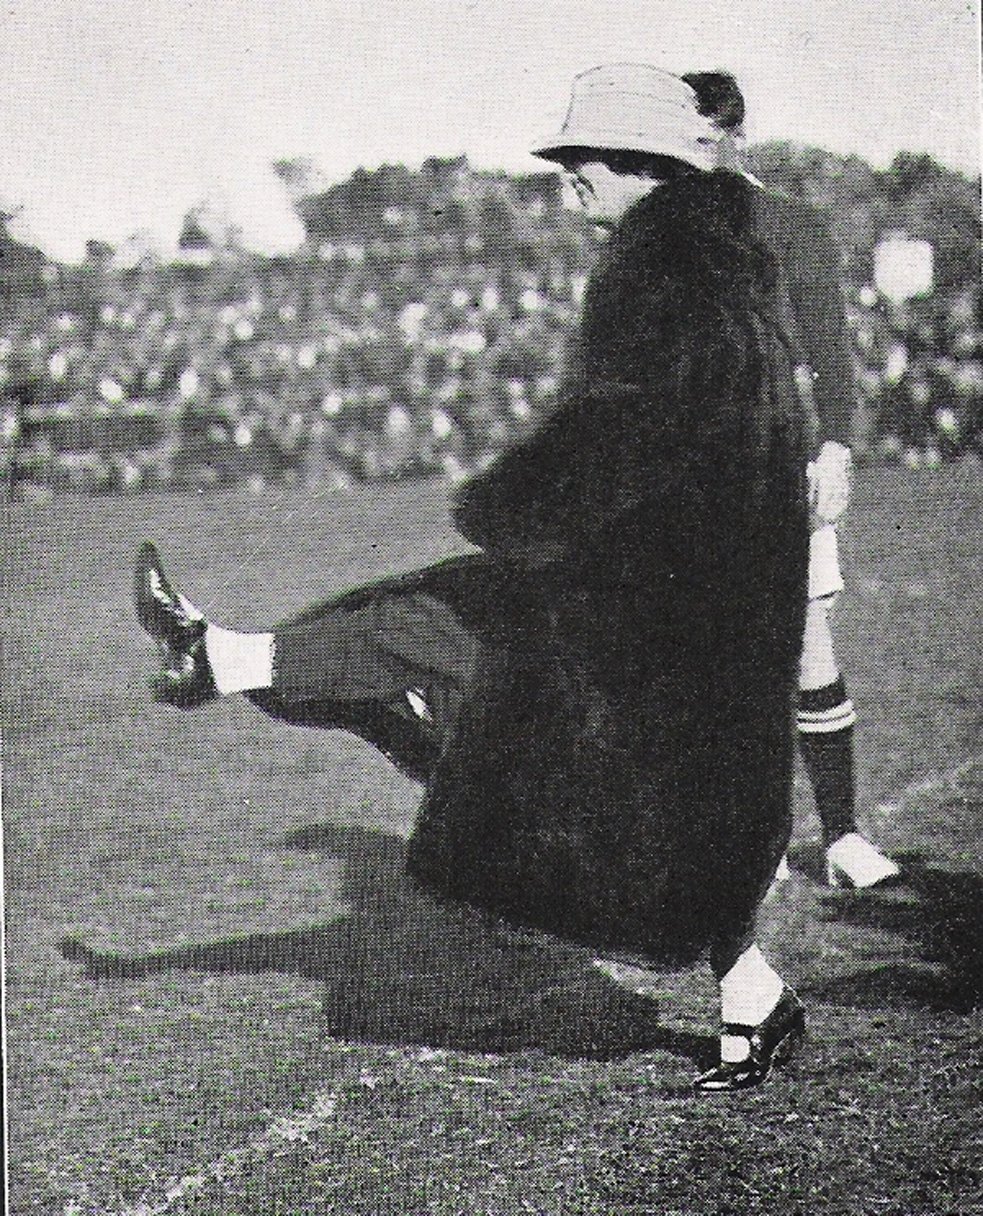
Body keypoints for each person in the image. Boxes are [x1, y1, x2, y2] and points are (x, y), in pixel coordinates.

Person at [137, 64, 812, 1091]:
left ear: (638, 164)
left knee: (482, 685)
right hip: (683, 586)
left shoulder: (668, 269)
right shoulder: (705, 258)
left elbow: (634, 418)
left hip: (658, 597)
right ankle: (751, 996)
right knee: (501, 693)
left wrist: (517, 507)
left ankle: (219, 658)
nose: (566, 177)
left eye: (581, 159)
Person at [680, 71, 899, 889]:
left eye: (699, 139)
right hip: (691, 471)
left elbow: (829, 348)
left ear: (732, 134)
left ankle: (839, 837)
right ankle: (753, 843)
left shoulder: (786, 222)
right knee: (715, 657)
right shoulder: (654, 232)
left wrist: (837, 445)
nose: (686, 158)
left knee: (805, 642)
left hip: (778, 460)